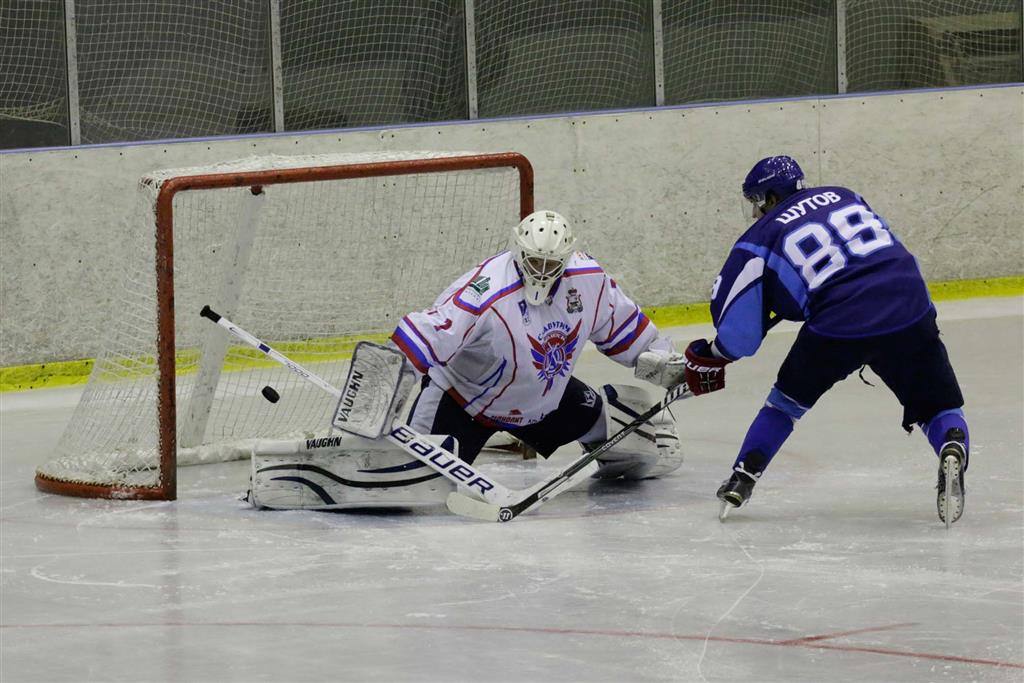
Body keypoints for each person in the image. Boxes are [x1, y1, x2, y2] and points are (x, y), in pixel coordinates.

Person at [683, 156, 969, 525]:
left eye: (756, 202)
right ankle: (952, 446)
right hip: (909, 303)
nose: (755, 212)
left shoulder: (758, 237)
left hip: (839, 323)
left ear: (769, 197)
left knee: (783, 406)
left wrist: (712, 354)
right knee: (937, 406)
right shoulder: (845, 195)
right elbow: (880, 251)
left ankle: (742, 478)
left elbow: (740, 337)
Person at [391, 209, 688, 481]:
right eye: (535, 261)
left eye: (553, 264)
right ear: (519, 251)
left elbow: (626, 331)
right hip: (464, 403)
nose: (542, 271)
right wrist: (382, 392)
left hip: (544, 403)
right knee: (413, 480)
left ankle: (650, 426)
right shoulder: (486, 290)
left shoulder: (587, 280)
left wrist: (669, 366)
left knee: (639, 445)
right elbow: (428, 335)